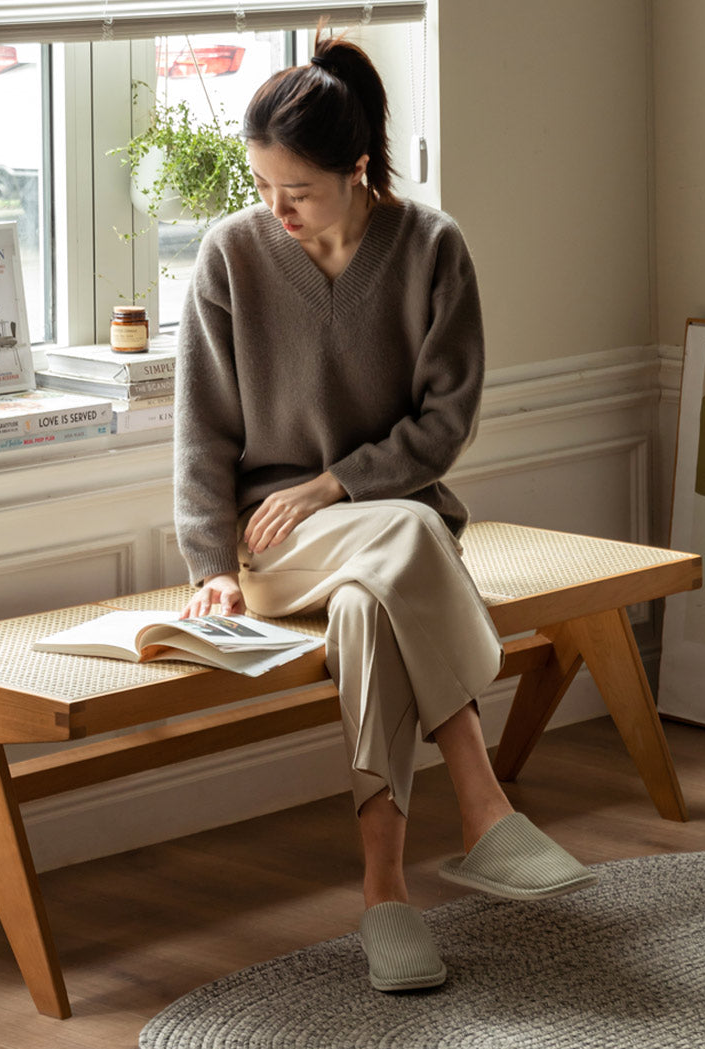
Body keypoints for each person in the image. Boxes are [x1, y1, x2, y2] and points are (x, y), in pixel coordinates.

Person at [173, 25, 596, 992]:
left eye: (299, 191)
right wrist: (209, 567)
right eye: (262, 187)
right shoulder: (229, 258)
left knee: (375, 599)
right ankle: (483, 804)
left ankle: (385, 896)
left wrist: (334, 483)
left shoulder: (432, 249)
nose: (274, 209)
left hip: (388, 533)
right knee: (403, 537)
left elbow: (447, 424)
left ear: (357, 168)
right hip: (274, 548)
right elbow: (202, 433)